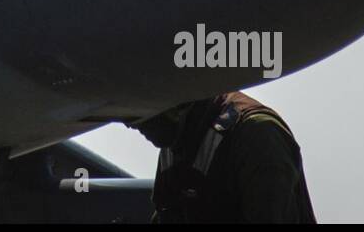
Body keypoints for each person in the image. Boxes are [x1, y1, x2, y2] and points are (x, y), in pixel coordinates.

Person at [131, 91, 316, 223]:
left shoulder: (257, 136)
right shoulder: (175, 140)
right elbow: (167, 212)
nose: (132, 126)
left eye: (140, 117)